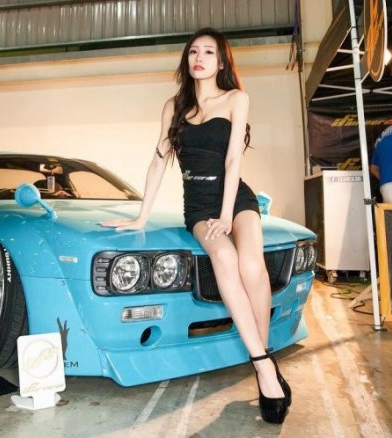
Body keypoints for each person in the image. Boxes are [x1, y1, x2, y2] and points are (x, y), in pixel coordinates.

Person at [101, 28, 290, 424]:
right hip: (200, 205)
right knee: (224, 257)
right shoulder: (173, 107)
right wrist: (141, 215)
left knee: (251, 266)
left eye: (208, 52)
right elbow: (159, 161)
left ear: (221, 62)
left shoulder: (236, 99)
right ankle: (264, 366)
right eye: (193, 52)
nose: (199, 58)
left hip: (235, 198)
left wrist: (228, 214)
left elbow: (233, 160)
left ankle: (263, 360)